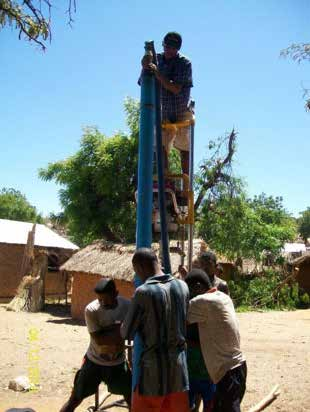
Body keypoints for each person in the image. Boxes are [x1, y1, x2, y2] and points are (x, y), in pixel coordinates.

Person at [121, 247, 190, 412]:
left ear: (140, 268)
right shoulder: (183, 286)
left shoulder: (143, 293)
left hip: (153, 375)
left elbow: (126, 333)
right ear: (157, 262)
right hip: (179, 373)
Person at [59, 279, 132, 412]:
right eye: (100, 300)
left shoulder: (127, 306)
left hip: (117, 363)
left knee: (132, 399)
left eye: (107, 299)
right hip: (94, 362)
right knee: (75, 399)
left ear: (116, 293)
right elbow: (100, 340)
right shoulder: (92, 310)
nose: (103, 303)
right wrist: (120, 329)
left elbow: (133, 333)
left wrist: (111, 331)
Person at [185, 269, 247, 412]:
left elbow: (178, 320)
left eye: (189, 292)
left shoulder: (202, 301)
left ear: (198, 288)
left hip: (226, 372)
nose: (189, 296)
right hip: (239, 367)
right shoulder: (224, 297)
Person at [142, 31, 193, 175]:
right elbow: (143, 82)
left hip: (181, 111)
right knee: (161, 145)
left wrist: (157, 73)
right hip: (163, 111)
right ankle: (166, 178)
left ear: (177, 49)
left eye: (172, 48)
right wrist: (145, 66)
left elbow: (175, 88)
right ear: (163, 45)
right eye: (166, 46)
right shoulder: (156, 60)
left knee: (184, 147)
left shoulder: (184, 63)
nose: (168, 50)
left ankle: (186, 181)